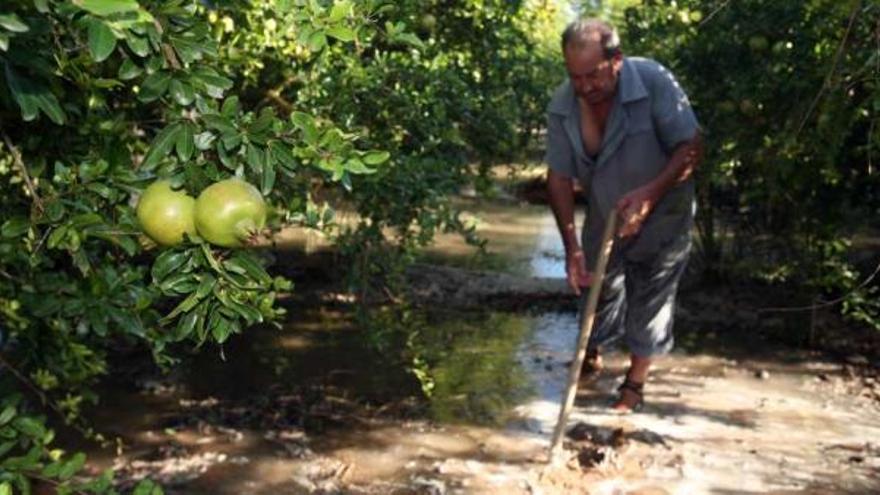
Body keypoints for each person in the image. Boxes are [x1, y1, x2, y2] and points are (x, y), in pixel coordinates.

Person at [545, 18, 702, 412]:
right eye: (575, 77)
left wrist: (650, 194)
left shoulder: (654, 81)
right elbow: (559, 177)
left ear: (616, 60)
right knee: (594, 287)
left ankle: (633, 385)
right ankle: (591, 352)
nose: (584, 87)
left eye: (592, 76)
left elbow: (691, 147)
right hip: (604, 211)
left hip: (664, 211)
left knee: (651, 296)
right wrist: (571, 247)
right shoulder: (563, 104)